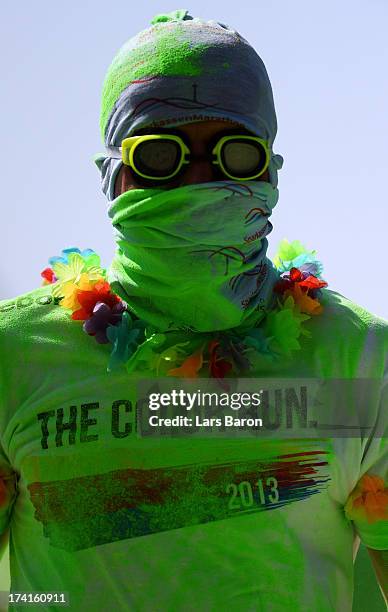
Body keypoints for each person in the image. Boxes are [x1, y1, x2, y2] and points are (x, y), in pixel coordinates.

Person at [0, 9, 387, 611]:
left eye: (236, 154)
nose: (201, 180)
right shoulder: (12, 357)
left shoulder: (362, 359)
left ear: (271, 169)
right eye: (162, 155)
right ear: (113, 175)